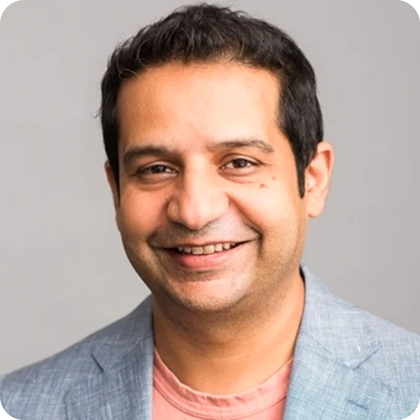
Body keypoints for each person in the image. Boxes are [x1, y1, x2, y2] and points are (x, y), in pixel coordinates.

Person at [1, 3, 419, 419]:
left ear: (313, 179)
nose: (195, 212)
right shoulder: (22, 406)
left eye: (239, 162)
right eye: (157, 169)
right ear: (117, 192)